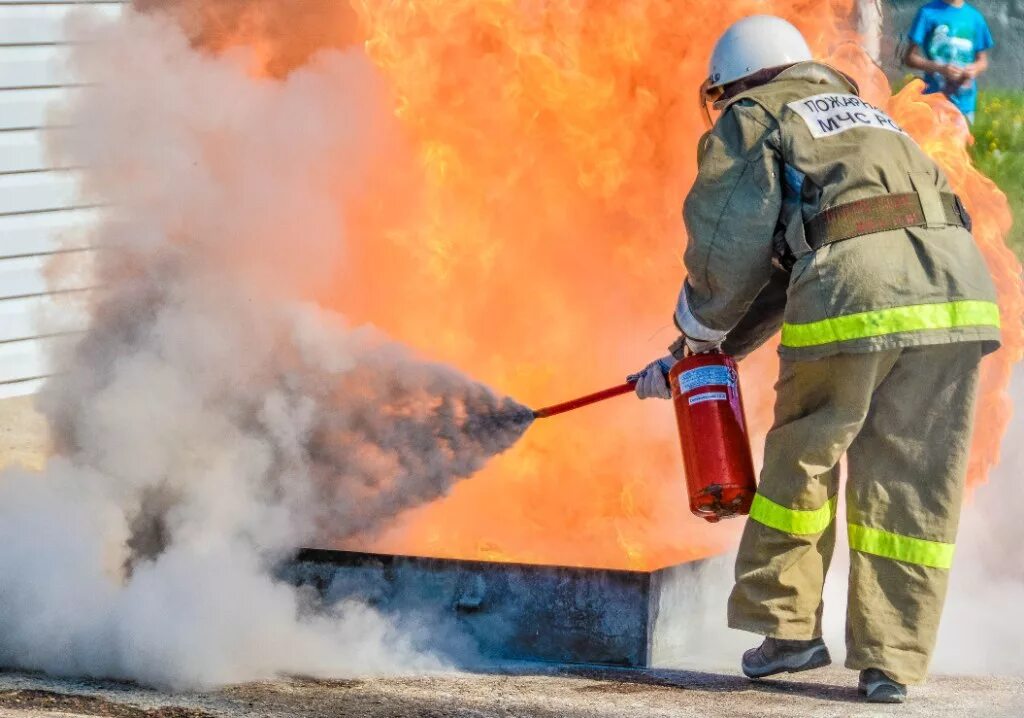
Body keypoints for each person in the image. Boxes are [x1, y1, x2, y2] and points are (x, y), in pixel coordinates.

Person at [632, 14, 1001, 705]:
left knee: (803, 459)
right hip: (958, 294)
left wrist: (696, 326)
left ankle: (788, 629)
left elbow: (728, 246)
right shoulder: (864, 115)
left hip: (859, 290)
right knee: (914, 483)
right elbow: (798, 258)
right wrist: (699, 354)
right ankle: (892, 660)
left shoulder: (755, 114)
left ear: (738, 82)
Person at [903, 0, 994, 123]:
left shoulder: (975, 18)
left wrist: (975, 69)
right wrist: (940, 68)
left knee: (961, 142)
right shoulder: (927, 13)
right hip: (935, 100)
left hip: (965, 103)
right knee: (934, 142)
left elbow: (982, 61)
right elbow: (909, 58)